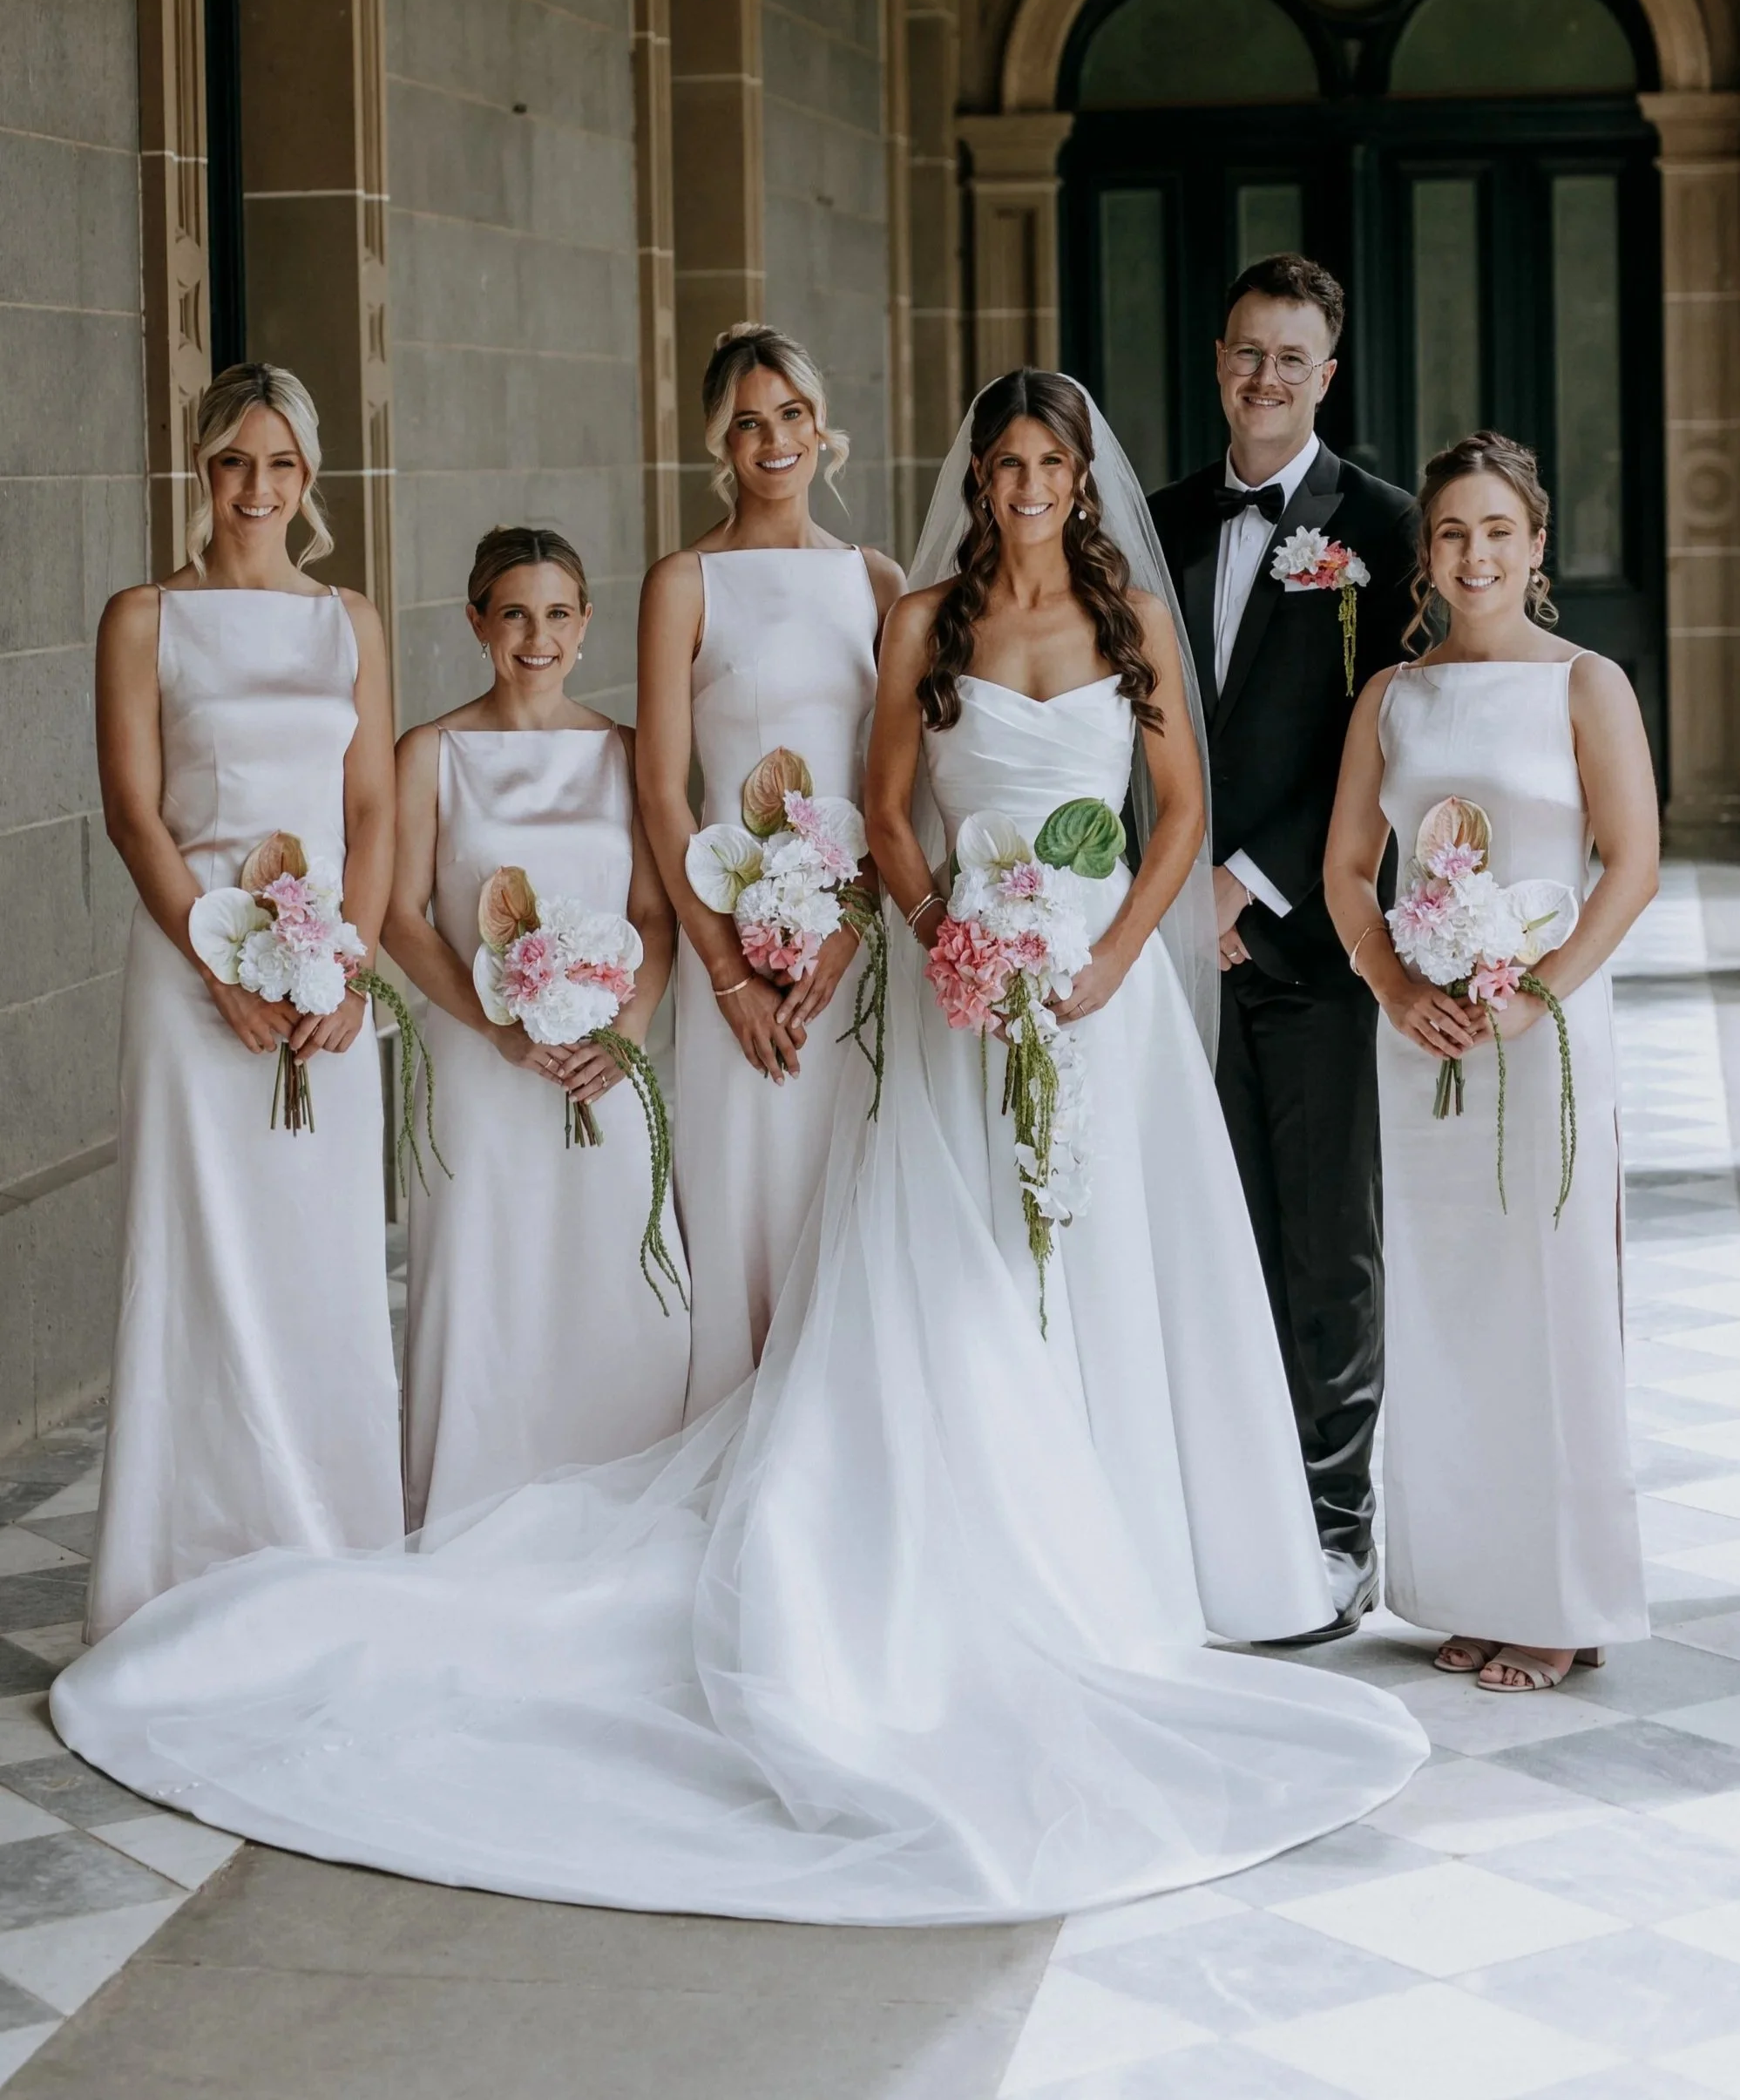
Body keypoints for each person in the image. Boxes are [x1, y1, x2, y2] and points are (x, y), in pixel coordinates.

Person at [51, 377, 1425, 1919]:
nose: (1030, 482)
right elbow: (868, 809)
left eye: (1050, 461)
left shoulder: (1105, 616)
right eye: (1006, 461)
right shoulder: (912, 616)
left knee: (1115, 1252)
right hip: (943, 972)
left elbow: (1177, 811)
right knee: (942, 1258)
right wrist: (930, 937)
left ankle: (1143, 1548)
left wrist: (1100, 956)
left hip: (1093, 988)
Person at [1325, 433, 1653, 1690]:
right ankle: (1469, 1585)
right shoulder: (1391, 697)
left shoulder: (1585, 684)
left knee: (1547, 1305)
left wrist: (1536, 997)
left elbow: (1629, 864)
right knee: (1445, 1302)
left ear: (1535, 545)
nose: (1474, 554)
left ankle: (1557, 1600)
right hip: (1421, 1044)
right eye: (1452, 532)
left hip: (1544, 1033)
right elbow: (1347, 869)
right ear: (1428, 552)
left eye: (1497, 531)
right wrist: (1396, 986)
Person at [85, 363, 402, 1641]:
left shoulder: (348, 621)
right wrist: (217, 964)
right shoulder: (143, 617)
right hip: (191, 982)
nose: (254, 488)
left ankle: (328, 1546)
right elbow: (134, 812)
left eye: (278, 464)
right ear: (200, 467)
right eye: (232, 462)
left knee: (320, 1257)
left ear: (308, 476)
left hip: (325, 986)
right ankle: (178, 1563)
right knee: (197, 1256)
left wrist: (351, 967)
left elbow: (371, 805)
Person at [1149, 254, 1416, 1639]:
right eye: (1246, 352)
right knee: (1211, 1233)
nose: (1265, 378)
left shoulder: (1383, 526)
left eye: (1291, 358)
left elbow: (1383, 732)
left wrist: (1243, 888)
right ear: (1218, 362)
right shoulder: (1151, 521)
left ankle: (1335, 1525)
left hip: (1310, 940)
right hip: (1169, 947)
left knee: (1326, 1245)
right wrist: (1169, 893)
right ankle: (1227, 1511)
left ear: (1327, 376)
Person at [387, 526, 687, 1531]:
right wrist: (500, 1027)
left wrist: (625, 1035)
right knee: (487, 1273)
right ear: (476, 621)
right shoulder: (429, 754)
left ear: (586, 622)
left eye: (557, 612)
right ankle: (472, 1502)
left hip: (605, 1060)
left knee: (613, 1271)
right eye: (513, 613)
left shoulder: (627, 752)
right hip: (479, 1062)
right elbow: (400, 915)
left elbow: (653, 915)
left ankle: (625, 1495)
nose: (536, 636)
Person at [635, 324, 903, 1414]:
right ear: (719, 440)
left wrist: (849, 927)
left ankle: (841, 1424)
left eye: (790, 414)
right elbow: (662, 790)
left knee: (846, 1185)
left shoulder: (875, 581)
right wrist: (726, 973)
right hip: (728, 954)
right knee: (742, 1187)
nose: (773, 439)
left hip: (849, 952)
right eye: (747, 422)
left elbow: (895, 784)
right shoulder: (683, 581)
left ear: (821, 424)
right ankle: (734, 1425)